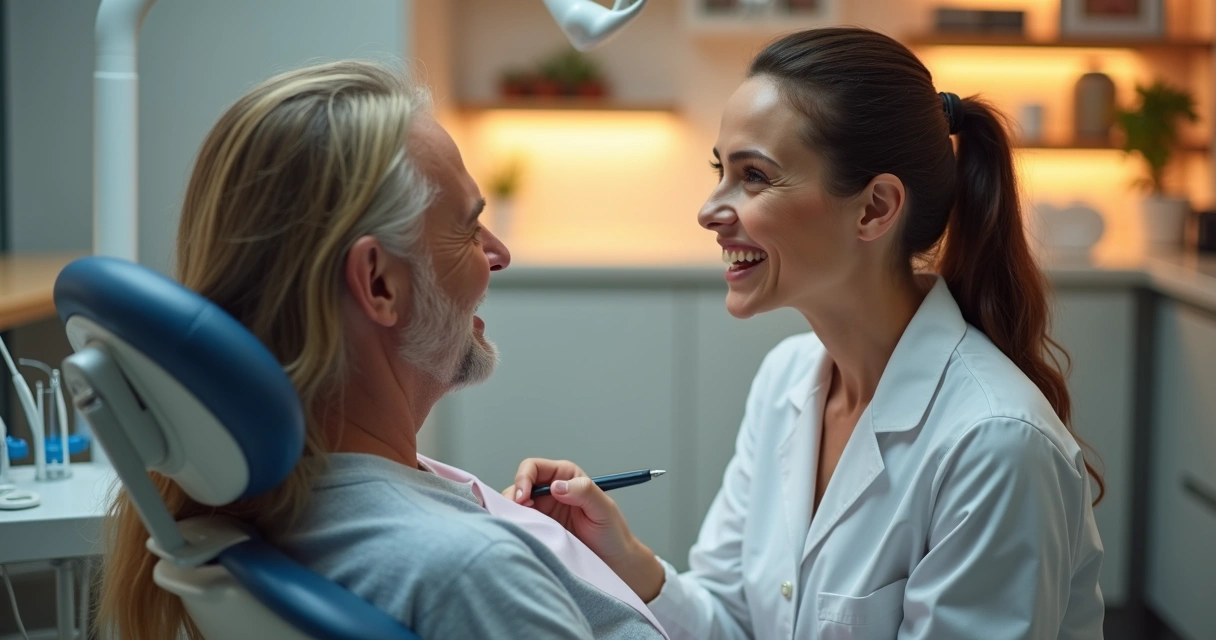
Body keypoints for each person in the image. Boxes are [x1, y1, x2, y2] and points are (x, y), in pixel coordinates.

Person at [505, 27, 1106, 639]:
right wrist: (621, 553)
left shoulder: (995, 444)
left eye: (755, 177)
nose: (710, 211)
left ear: (874, 208)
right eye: (721, 171)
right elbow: (730, 621)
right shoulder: (785, 381)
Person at [96, 60, 665, 640]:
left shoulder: (268, 507)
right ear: (379, 285)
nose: (498, 254)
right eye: (469, 228)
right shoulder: (467, 573)